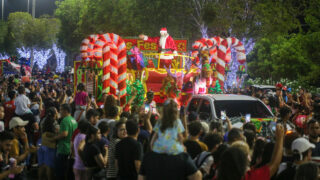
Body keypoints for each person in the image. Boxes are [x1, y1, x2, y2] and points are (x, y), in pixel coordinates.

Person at [217, 124, 284, 180]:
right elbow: (274, 165)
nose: (249, 158)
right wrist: (280, 138)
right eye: (246, 155)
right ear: (240, 164)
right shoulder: (249, 177)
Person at [54, 104, 78, 180]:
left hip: (63, 148)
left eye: (61, 110)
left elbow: (64, 134)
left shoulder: (64, 120)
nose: (59, 112)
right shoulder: (73, 120)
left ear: (65, 111)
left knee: (60, 171)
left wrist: (54, 138)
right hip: (70, 148)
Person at [38, 107, 59, 180]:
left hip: (41, 141)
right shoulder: (54, 122)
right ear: (54, 114)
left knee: (41, 165)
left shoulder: (43, 120)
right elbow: (57, 132)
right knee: (49, 166)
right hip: (49, 144)